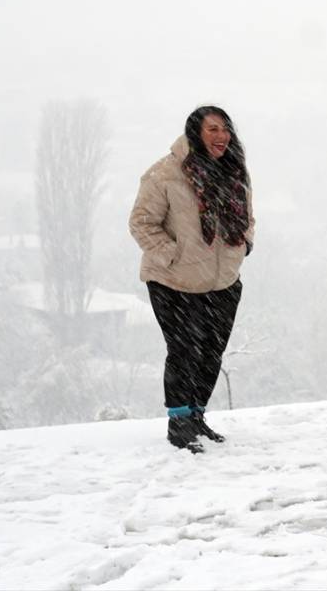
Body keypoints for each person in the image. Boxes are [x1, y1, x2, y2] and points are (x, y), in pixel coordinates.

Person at [129, 106, 254, 453]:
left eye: (225, 128)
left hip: (222, 282)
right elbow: (141, 223)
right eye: (212, 129)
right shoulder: (165, 173)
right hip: (175, 282)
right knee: (184, 351)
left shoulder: (233, 171)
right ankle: (179, 422)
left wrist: (246, 243)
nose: (221, 136)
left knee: (211, 353)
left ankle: (197, 417)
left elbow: (248, 216)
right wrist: (172, 256)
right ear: (195, 132)